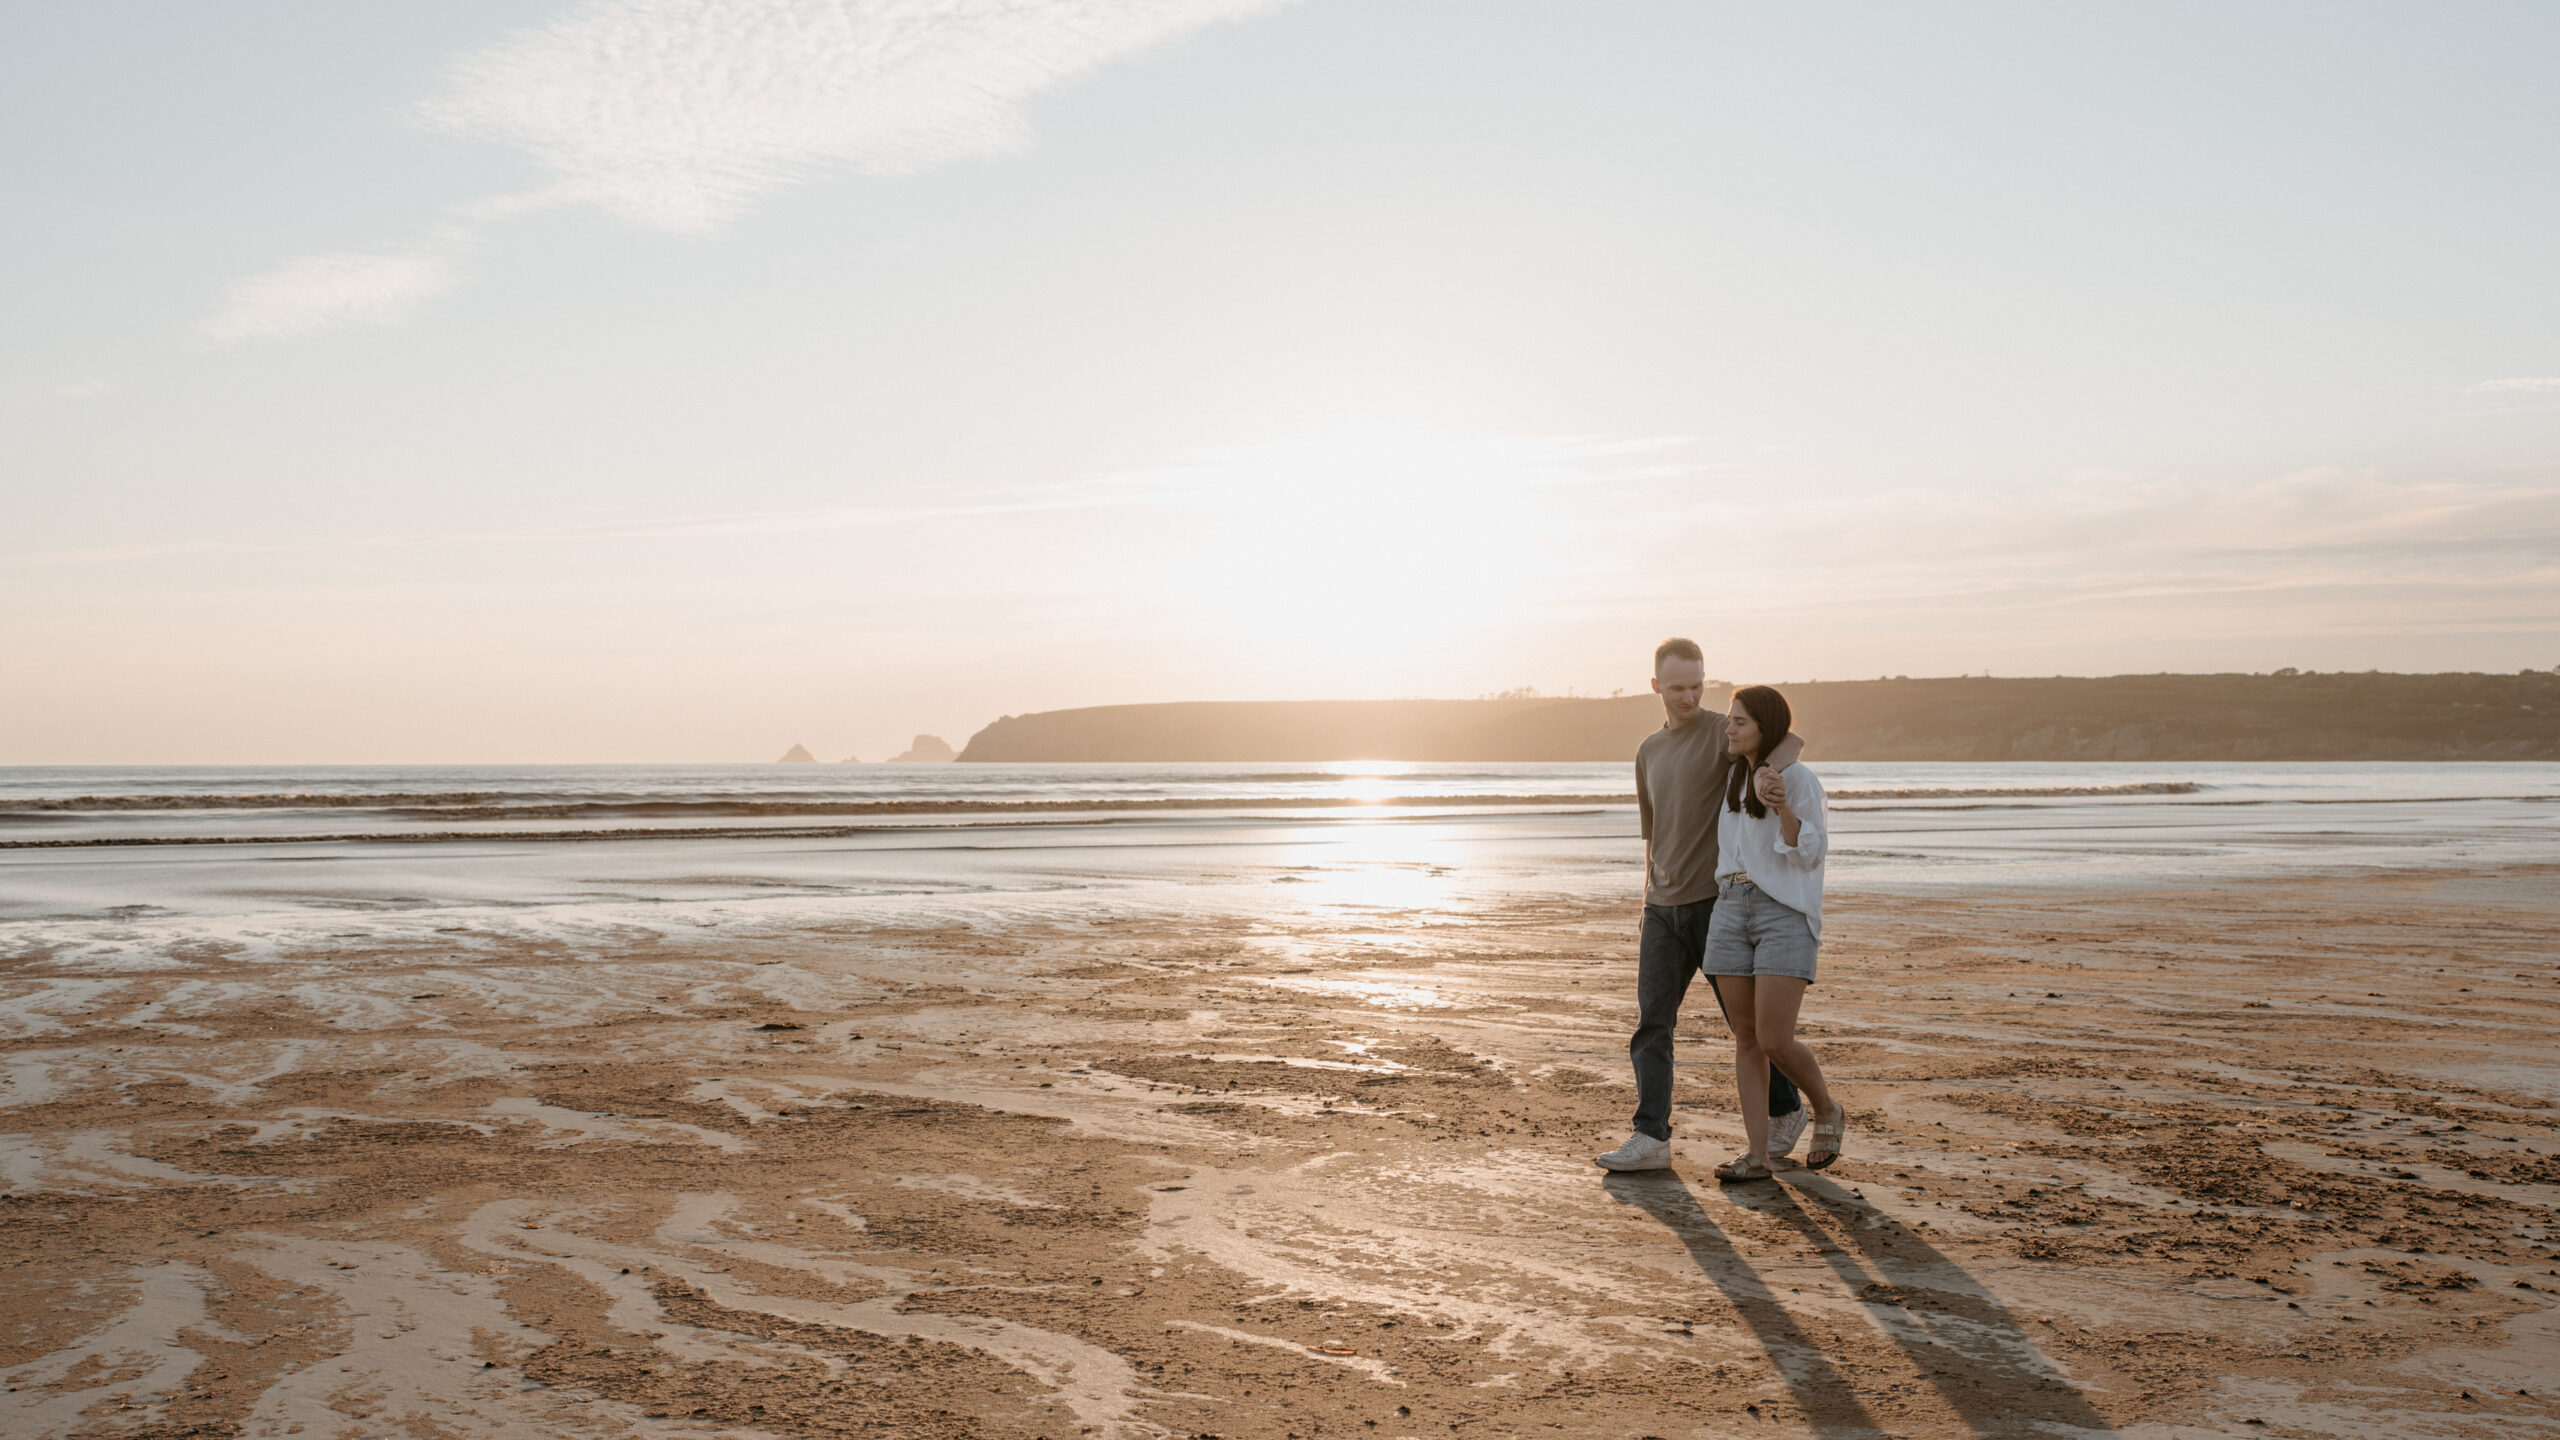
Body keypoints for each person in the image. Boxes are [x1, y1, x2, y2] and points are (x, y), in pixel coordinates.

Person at [1595, 640, 1804, 1173]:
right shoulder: (1648, 750)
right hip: (1662, 908)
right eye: (1678, 687)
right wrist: (1646, 898)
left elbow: (1790, 740)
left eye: (1697, 685)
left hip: (1718, 903)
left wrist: (1765, 774)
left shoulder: (1721, 731)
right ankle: (1651, 1137)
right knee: (1652, 1024)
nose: (1688, 696)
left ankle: (1786, 1110)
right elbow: (1653, 835)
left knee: (1747, 1028)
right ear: (1656, 687)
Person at [1702, 684, 1845, 1181]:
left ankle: (1825, 1108)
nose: (1730, 727)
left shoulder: (1799, 779)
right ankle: (1758, 1156)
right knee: (1745, 1038)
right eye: (1729, 718)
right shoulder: (1737, 778)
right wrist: (1763, 770)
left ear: (1764, 726)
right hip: (1729, 907)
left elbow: (1809, 853)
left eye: (1740, 720)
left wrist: (1782, 803)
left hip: (1782, 911)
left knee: (1775, 1038)